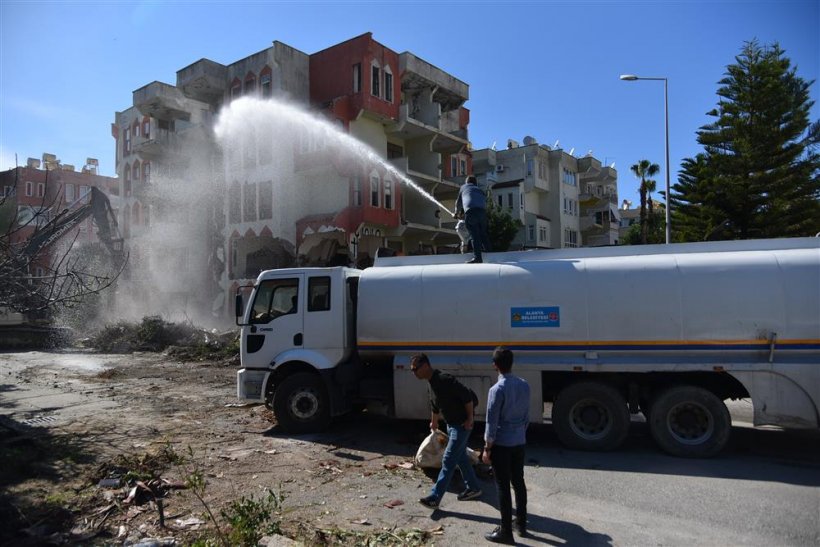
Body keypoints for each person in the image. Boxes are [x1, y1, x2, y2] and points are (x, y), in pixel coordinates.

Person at [411, 353, 483, 508]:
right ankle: (474, 488)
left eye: (415, 369)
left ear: (425, 366)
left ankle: (435, 498)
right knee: (461, 457)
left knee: (448, 459)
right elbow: (435, 406)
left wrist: (470, 418)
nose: (413, 372)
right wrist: (434, 422)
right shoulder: (430, 382)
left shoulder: (444, 379)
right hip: (451, 425)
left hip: (462, 426)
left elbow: (467, 398)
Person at [482, 346, 530, 544]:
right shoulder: (524, 384)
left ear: (495, 365)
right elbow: (526, 416)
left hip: (502, 444)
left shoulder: (496, 390)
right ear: (511, 363)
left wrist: (487, 449)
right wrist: (520, 433)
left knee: (503, 486)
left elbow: (491, 423)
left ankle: (506, 532)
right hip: (519, 441)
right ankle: (522, 523)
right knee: (519, 482)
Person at [454, 175, 490, 263]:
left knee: (474, 235)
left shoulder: (464, 187)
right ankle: (491, 253)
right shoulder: (479, 190)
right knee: (483, 234)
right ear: (475, 183)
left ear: (467, 182)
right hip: (483, 212)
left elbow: (458, 203)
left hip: (471, 212)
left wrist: (456, 213)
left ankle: (478, 258)